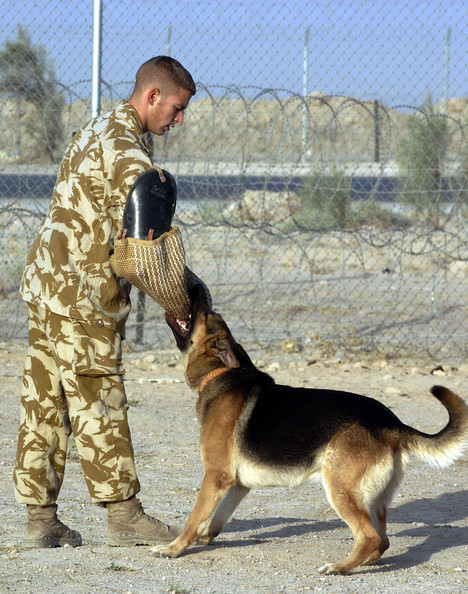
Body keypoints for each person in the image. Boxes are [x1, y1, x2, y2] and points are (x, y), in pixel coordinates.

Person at [14, 56, 196, 548]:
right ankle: (124, 515)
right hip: (85, 297)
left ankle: (40, 520)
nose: (178, 120)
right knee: (99, 397)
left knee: (45, 403)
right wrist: (181, 299)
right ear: (152, 96)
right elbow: (145, 249)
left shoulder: (99, 126)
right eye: (176, 108)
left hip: (47, 285)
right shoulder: (131, 157)